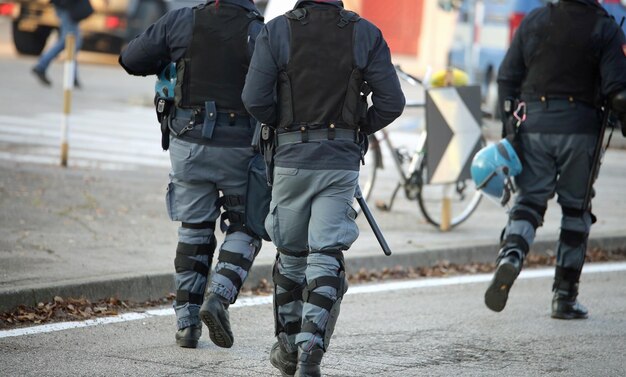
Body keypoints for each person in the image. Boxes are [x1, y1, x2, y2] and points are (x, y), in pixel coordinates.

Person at [242, 1, 405, 375]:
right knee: (326, 254)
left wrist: (283, 126)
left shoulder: (277, 30)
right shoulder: (365, 33)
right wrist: (358, 127)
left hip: (290, 161)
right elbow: (392, 102)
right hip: (340, 162)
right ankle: (310, 350)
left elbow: (254, 99)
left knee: (292, 255)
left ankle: (287, 349)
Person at [118, 0, 265, 349]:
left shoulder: (182, 20)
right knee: (248, 224)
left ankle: (186, 324)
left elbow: (130, 58)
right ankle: (219, 295)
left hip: (188, 143)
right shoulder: (259, 31)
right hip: (239, 148)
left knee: (194, 228)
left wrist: (168, 59)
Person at [484, 0, 626, 319]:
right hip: (580, 130)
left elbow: (507, 77)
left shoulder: (535, 20)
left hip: (534, 126)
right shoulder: (606, 27)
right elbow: (619, 92)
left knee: (529, 202)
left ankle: (511, 256)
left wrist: (510, 127)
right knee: (576, 210)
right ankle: (564, 298)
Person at [32, 0, 93, 87]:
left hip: (68, 6)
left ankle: (72, 75)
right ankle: (41, 66)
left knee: (72, 41)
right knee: (68, 41)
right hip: (66, 5)